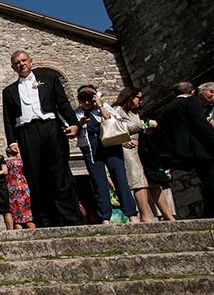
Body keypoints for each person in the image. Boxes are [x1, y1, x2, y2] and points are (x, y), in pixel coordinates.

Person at [2, 50, 83, 227]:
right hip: (26, 132)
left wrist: (74, 123)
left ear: (30, 62)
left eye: (23, 61)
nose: (21, 64)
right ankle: (46, 220)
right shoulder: (9, 91)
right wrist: (12, 141)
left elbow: (63, 104)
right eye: (17, 63)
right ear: (13, 67)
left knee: (59, 173)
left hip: (50, 127)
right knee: (35, 176)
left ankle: (70, 218)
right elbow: (7, 118)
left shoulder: (49, 80)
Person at [75, 85, 138, 224]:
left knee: (120, 177)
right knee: (99, 182)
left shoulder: (104, 107)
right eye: (83, 99)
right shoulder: (77, 113)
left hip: (110, 143)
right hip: (91, 147)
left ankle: (131, 214)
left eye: (89, 98)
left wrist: (100, 105)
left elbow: (111, 120)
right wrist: (80, 123)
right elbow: (74, 131)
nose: (86, 102)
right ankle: (105, 217)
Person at [160, 82, 214, 217]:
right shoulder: (191, 102)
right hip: (203, 149)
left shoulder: (168, 109)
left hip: (187, 152)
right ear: (193, 92)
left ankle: (209, 212)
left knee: (206, 180)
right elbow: (200, 124)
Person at [109, 87, 154, 222]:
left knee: (142, 180)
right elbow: (112, 127)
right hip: (126, 149)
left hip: (139, 149)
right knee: (137, 180)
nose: (140, 101)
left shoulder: (134, 113)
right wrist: (122, 141)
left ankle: (146, 213)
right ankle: (144, 215)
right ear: (129, 97)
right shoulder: (117, 111)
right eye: (138, 98)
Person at [4, 147, 35, 229]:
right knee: (27, 214)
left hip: (11, 187)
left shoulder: (6, 162)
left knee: (16, 217)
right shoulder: (21, 161)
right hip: (23, 185)